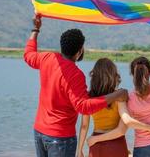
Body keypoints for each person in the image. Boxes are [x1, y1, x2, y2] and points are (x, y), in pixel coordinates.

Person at [23, 15, 128, 157]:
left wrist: (36, 29)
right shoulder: (75, 74)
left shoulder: (47, 58)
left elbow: (28, 55)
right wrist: (117, 94)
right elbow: (83, 106)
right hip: (60, 138)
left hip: (39, 132)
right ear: (79, 51)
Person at [88, 19, 150, 157]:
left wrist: (148, 128)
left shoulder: (129, 97)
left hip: (143, 148)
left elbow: (128, 122)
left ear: (132, 74)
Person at [76, 58, 150, 157]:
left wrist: (80, 150)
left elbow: (84, 126)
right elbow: (123, 128)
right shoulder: (119, 96)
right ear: (114, 76)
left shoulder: (88, 98)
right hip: (116, 144)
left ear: (94, 76)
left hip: (96, 144)